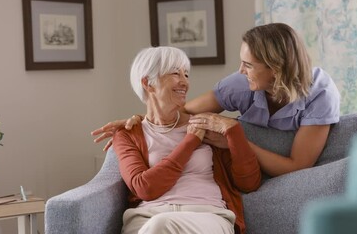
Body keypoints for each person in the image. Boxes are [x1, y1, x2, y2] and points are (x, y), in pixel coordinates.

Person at [92, 22, 340, 177]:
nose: (241, 71)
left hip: (287, 171)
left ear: (275, 68)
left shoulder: (320, 94)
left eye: (248, 65)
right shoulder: (240, 84)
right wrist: (138, 122)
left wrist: (236, 141)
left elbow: (298, 166)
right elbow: (181, 112)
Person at [112, 46, 261, 234]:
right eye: (176, 74)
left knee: (161, 225)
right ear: (148, 83)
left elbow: (249, 183)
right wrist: (190, 142)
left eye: (186, 75)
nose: (185, 83)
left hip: (207, 217)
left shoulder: (207, 125)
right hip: (147, 219)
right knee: (159, 224)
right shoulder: (127, 134)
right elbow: (145, 188)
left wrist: (234, 132)